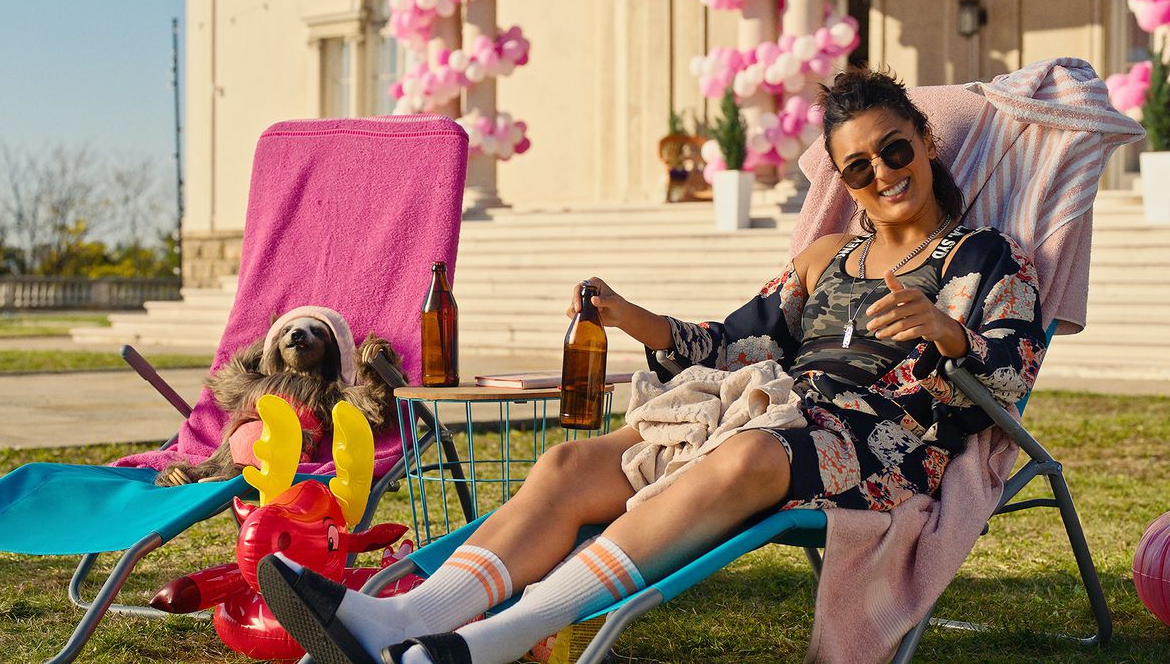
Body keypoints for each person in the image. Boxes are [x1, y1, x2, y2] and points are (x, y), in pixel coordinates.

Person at [257, 68, 1047, 664]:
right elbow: (738, 342)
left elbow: (1007, 381)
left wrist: (948, 331)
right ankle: (396, 619)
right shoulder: (826, 254)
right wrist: (631, 316)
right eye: (858, 167)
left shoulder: (987, 256)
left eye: (894, 149)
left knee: (742, 451)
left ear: (927, 142)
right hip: (774, 412)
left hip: (884, 446)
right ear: (842, 181)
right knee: (569, 463)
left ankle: (486, 644)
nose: (882, 173)